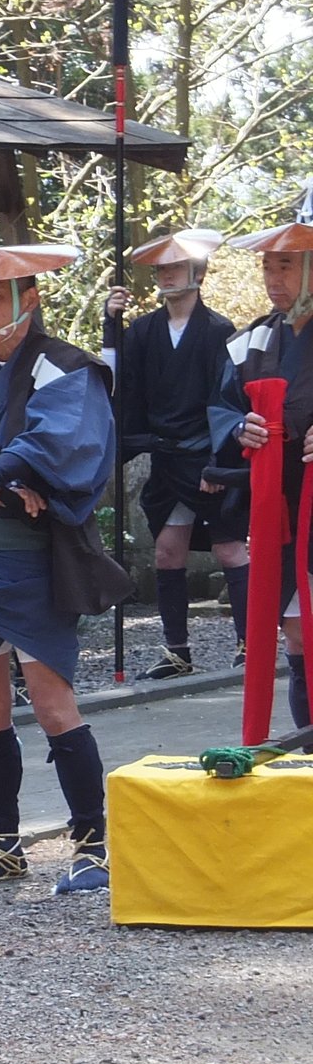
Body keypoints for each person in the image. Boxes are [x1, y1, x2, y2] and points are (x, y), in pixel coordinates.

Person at [0, 245, 129, 894]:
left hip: (39, 561)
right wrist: (0, 486)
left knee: (51, 698)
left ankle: (91, 844)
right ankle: (3, 842)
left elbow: (62, 446)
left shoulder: (68, 367)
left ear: (27, 298)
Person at [104, 229, 241, 679]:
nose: (165, 275)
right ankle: (177, 651)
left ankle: (247, 643)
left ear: (196, 273)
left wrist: (220, 461)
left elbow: (227, 400)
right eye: (160, 268)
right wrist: (112, 322)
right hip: (166, 456)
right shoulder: (142, 330)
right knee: (167, 552)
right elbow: (116, 380)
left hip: (206, 456)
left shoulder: (218, 330)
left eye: (175, 267)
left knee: (229, 549)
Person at [210, 214, 313, 731]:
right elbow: (220, 406)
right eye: (268, 268)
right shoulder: (250, 341)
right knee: (297, 631)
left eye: (287, 267)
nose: (274, 280)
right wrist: (238, 427)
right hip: (281, 502)